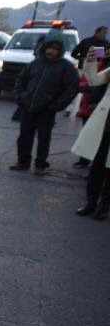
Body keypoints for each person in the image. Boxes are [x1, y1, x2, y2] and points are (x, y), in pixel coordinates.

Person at [9, 29, 79, 175]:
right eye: (49, 48)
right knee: (24, 137)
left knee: (43, 139)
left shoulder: (66, 68)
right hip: (28, 107)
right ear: (44, 47)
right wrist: (20, 97)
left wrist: (55, 106)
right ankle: (23, 162)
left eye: (55, 49)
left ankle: (40, 165)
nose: (51, 51)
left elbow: (71, 89)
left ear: (60, 50)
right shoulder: (35, 64)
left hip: (46, 110)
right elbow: (21, 81)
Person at [71, 47, 110, 219]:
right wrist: (91, 60)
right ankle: (91, 202)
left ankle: (104, 207)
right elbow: (93, 80)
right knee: (97, 166)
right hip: (105, 125)